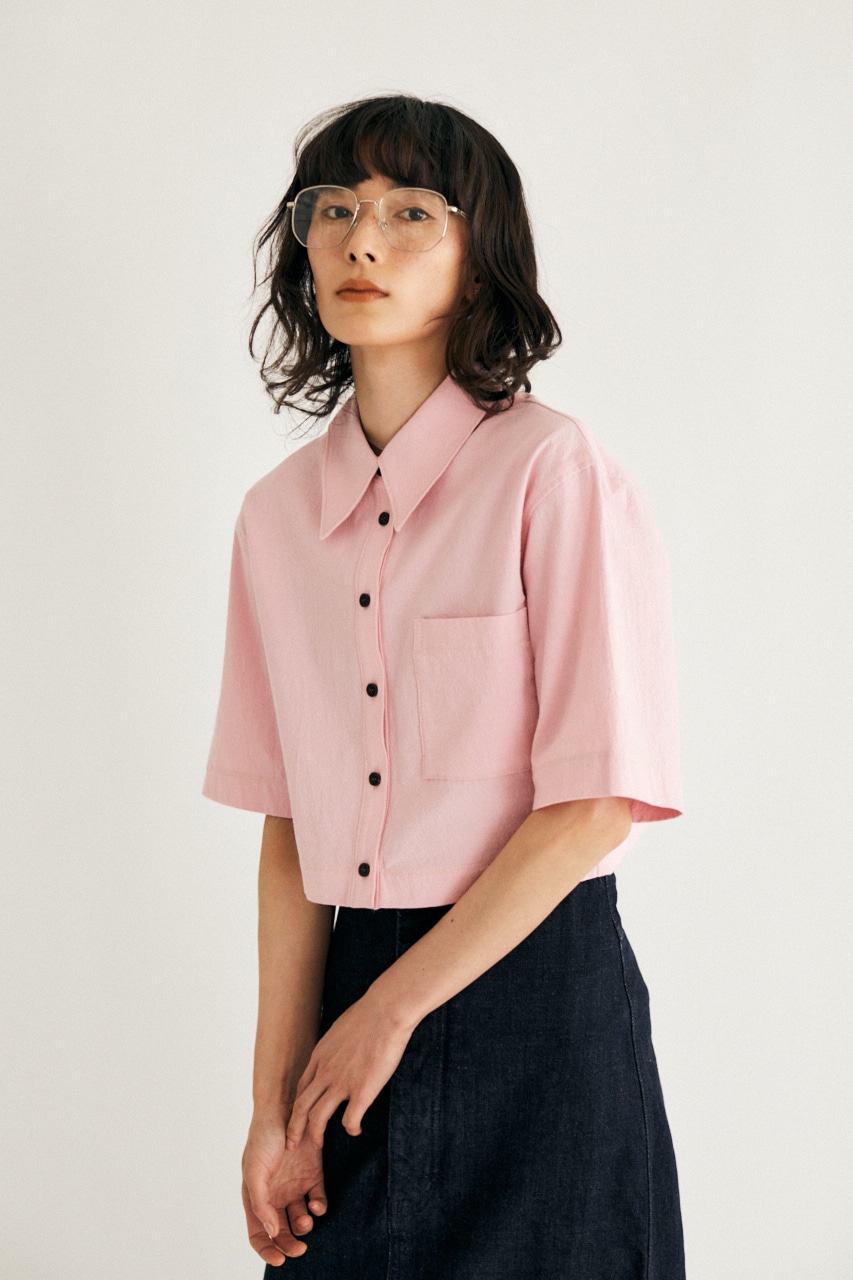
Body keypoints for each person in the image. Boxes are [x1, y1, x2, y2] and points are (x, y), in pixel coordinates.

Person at [202, 93, 686, 1278]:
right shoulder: (275, 520)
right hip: (350, 991)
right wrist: (271, 1106)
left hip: (537, 996)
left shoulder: (548, 471)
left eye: (411, 211)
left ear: (480, 257)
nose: (361, 240)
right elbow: (289, 826)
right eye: (333, 210)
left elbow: (591, 805)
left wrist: (390, 1010)